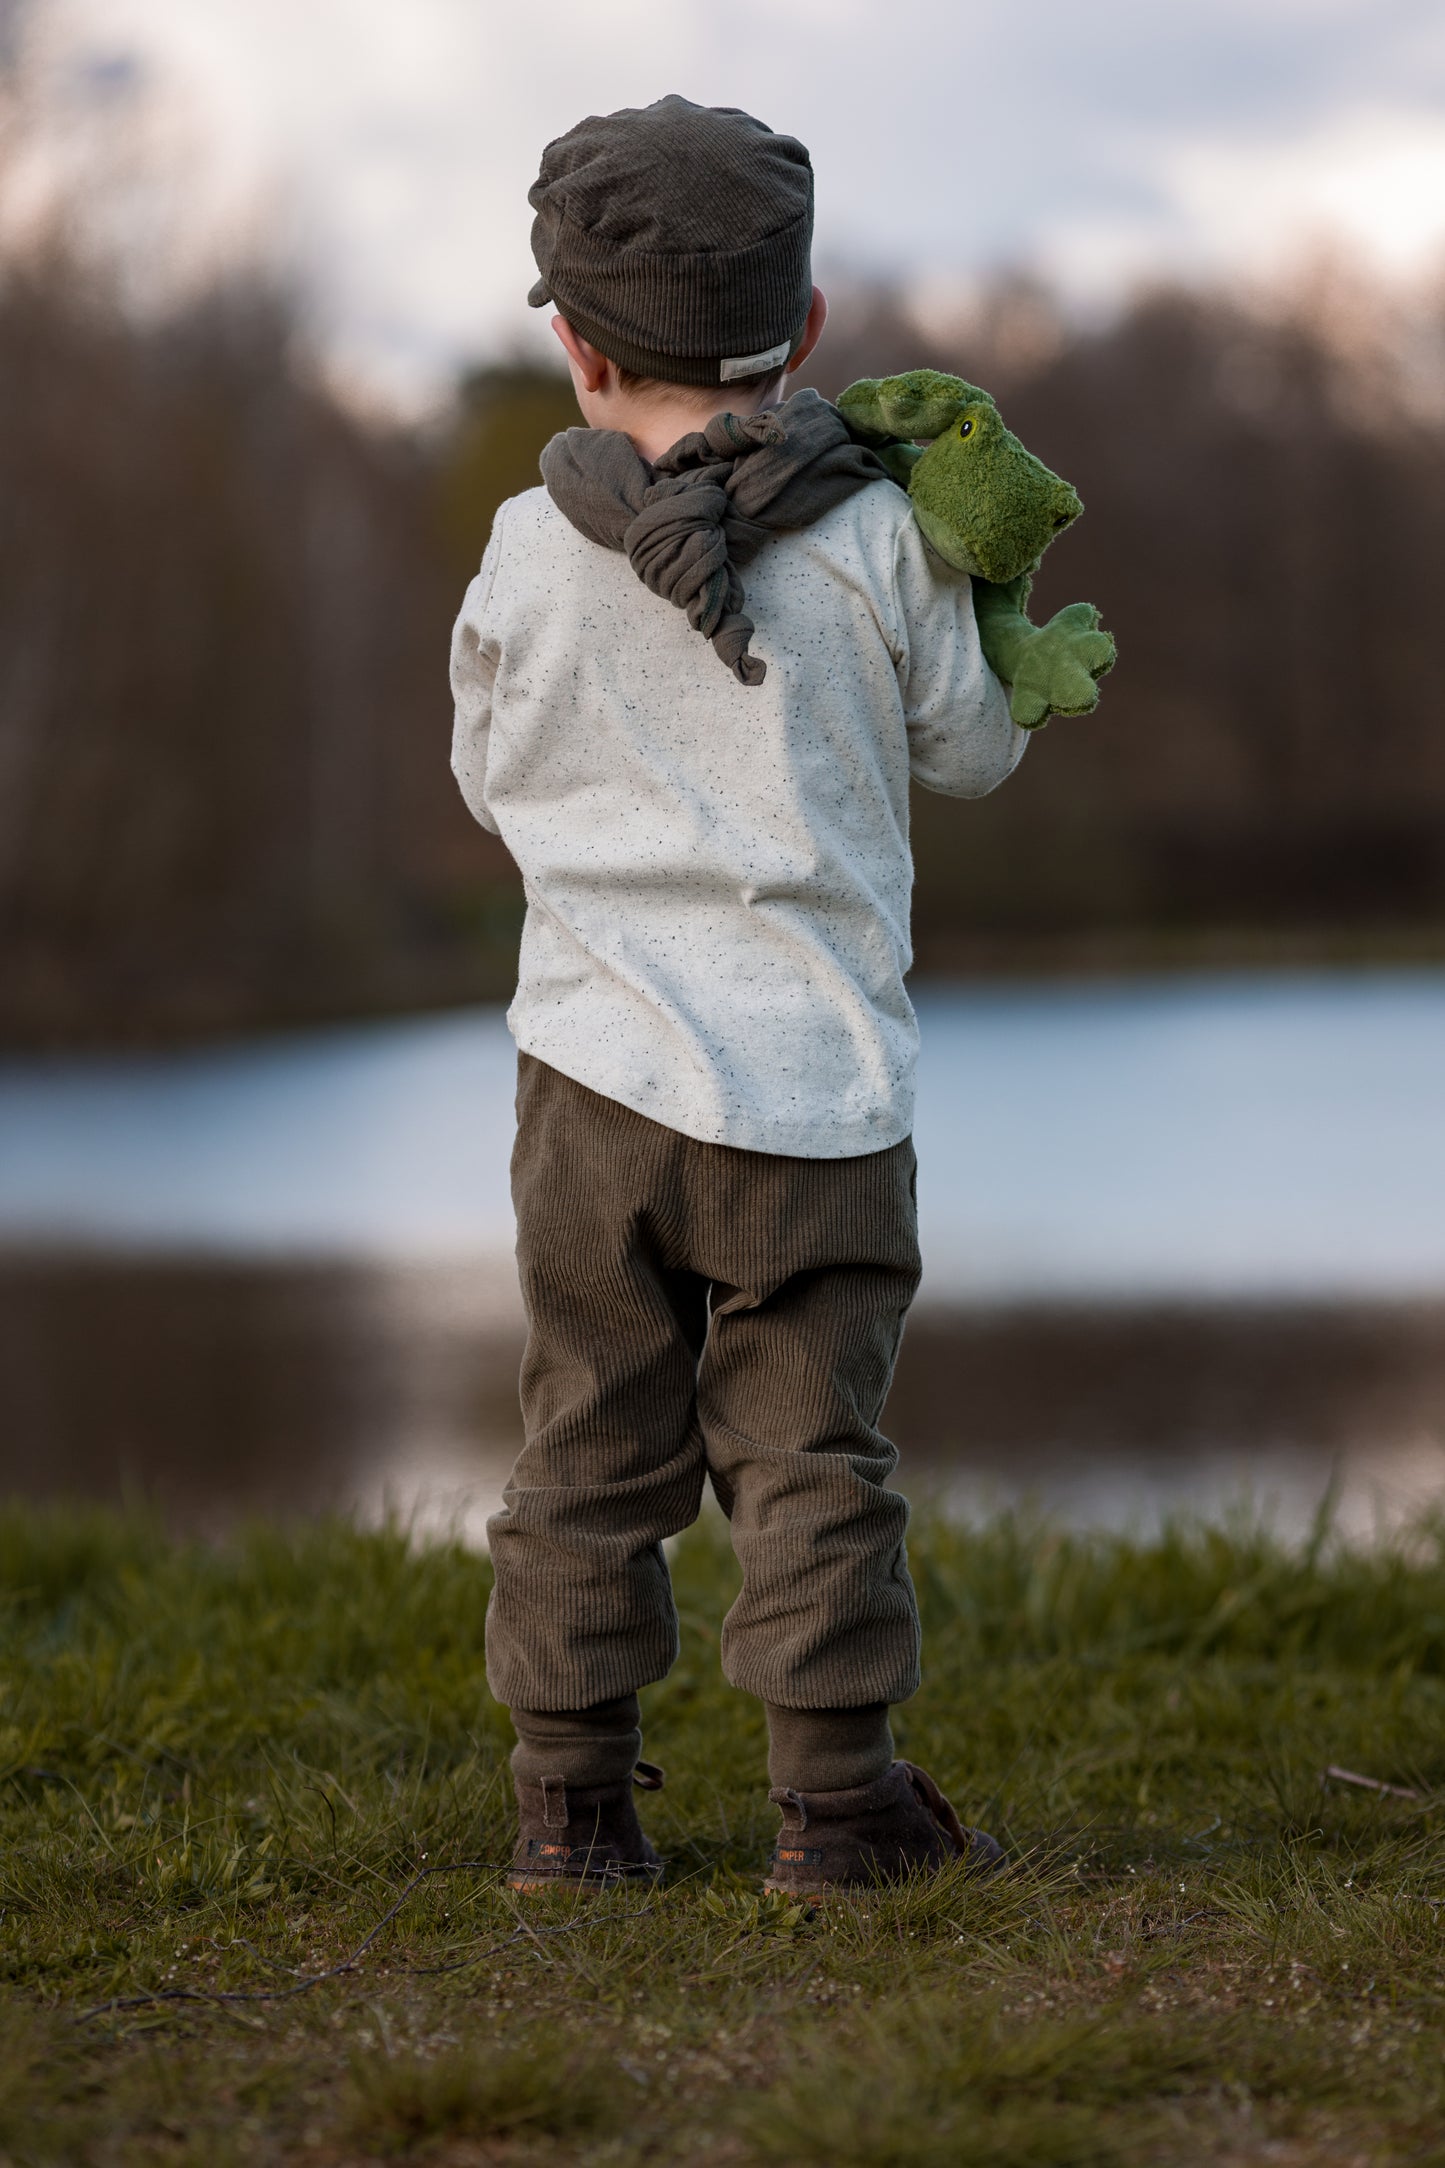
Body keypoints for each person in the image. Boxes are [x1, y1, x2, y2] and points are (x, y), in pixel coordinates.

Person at [450, 94, 1025, 1898]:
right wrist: (1006, 610)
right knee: (811, 1459)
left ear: (572, 341)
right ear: (811, 328)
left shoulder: (527, 547)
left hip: (591, 1083)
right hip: (815, 1089)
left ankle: (572, 1809)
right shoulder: (876, 536)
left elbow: (488, 774)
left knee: (586, 1448)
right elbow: (977, 751)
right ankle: (837, 1813)